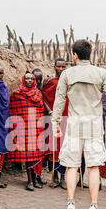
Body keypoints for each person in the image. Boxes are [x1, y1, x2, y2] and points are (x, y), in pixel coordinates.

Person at [52, 39, 106, 209]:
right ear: (90, 54)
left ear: (75, 55)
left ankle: (71, 202)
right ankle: (94, 204)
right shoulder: (100, 73)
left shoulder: (67, 74)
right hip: (94, 125)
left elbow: (59, 102)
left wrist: (55, 123)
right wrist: (105, 81)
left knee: (72, 165)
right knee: (93, 166)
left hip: (74, 124)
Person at [6, 72, 45, 191]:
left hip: (36, 127)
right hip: (24, 128)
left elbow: (41, 110)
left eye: (31, 79)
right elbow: (13, 111)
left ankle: (35, 178)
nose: (29, 81)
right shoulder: (16, 94)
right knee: (28, 155)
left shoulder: (38, 94)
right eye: (27, 79)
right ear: (23, 80)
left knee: (37, 154)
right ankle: (30, 181)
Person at [42, 58, 68, 189]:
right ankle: (55, 177)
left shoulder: (70, 82)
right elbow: (43, 97)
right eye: (59, 66)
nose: (61, 69)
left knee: (63, 148)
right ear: (54, 67)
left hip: (66, 118)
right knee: (53, 147)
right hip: (53, 119)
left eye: (63, 66)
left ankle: (63, 177)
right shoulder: (50, 82)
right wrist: (49, 111)